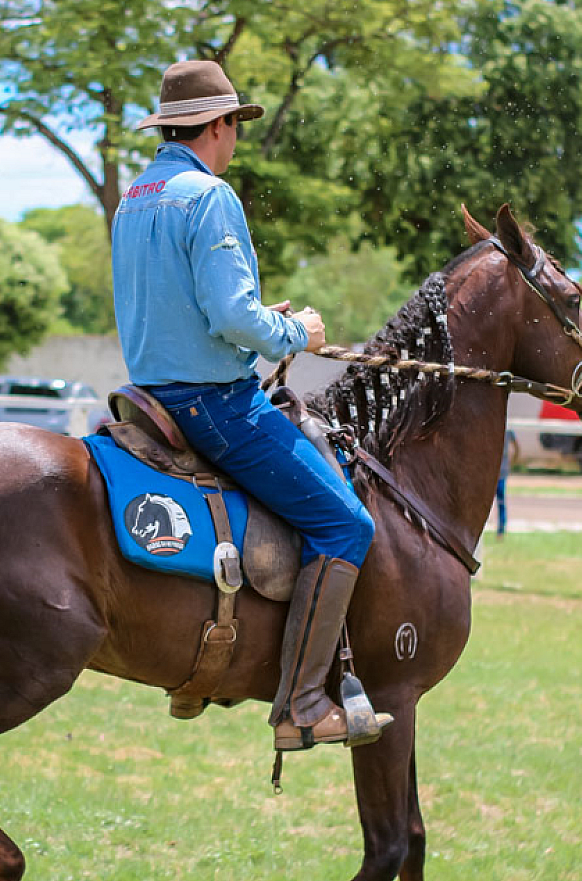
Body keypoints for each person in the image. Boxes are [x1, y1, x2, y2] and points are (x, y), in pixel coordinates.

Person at [111, 60, 391, 752]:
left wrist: (257, 318)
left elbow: (196, 309)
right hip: (217, 404)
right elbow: (234, 319)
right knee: (345, 524)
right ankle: (300, 706)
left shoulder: (134, 197)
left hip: (149, 396)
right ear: (218, 125)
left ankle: (197, 670)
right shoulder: (209, 196)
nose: (235, 139)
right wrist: (299, 333)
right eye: (235, 124)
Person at [495, 428, 519, 536]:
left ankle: (501, 529)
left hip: (501, 471)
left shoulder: (508, 429)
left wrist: (512, 462)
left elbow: (516, 447)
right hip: (493, 471)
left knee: (501, 501)